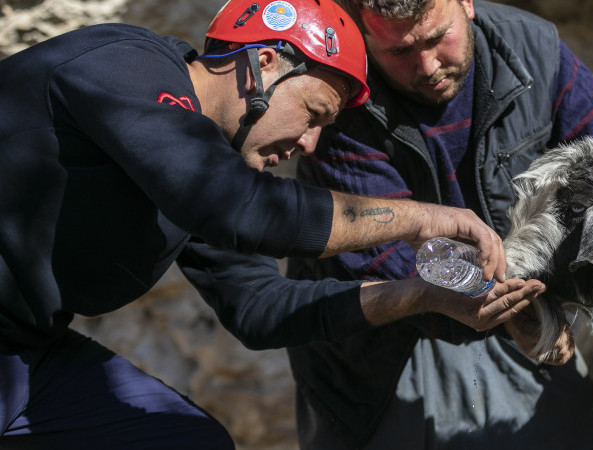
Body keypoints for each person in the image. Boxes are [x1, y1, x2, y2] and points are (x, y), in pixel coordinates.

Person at [0, 0, 538, 447]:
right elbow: (239, 208)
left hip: (24, 354)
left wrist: (418, 295)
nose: (308, 143)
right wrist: (417, 218)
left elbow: (258, 307)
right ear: (264, 63)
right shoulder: (125, 64)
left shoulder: (207, 171)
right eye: (314, 112)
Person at [286, 0, 593, 448]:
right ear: (363, 35)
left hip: (516, 301)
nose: (426, 66)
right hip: (385, 351)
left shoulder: (534, 50)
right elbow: (397, 264)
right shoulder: (341, 97)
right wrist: (524, 315)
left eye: (436, 38)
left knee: (581, 434)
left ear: (465, 3)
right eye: (399, 52)